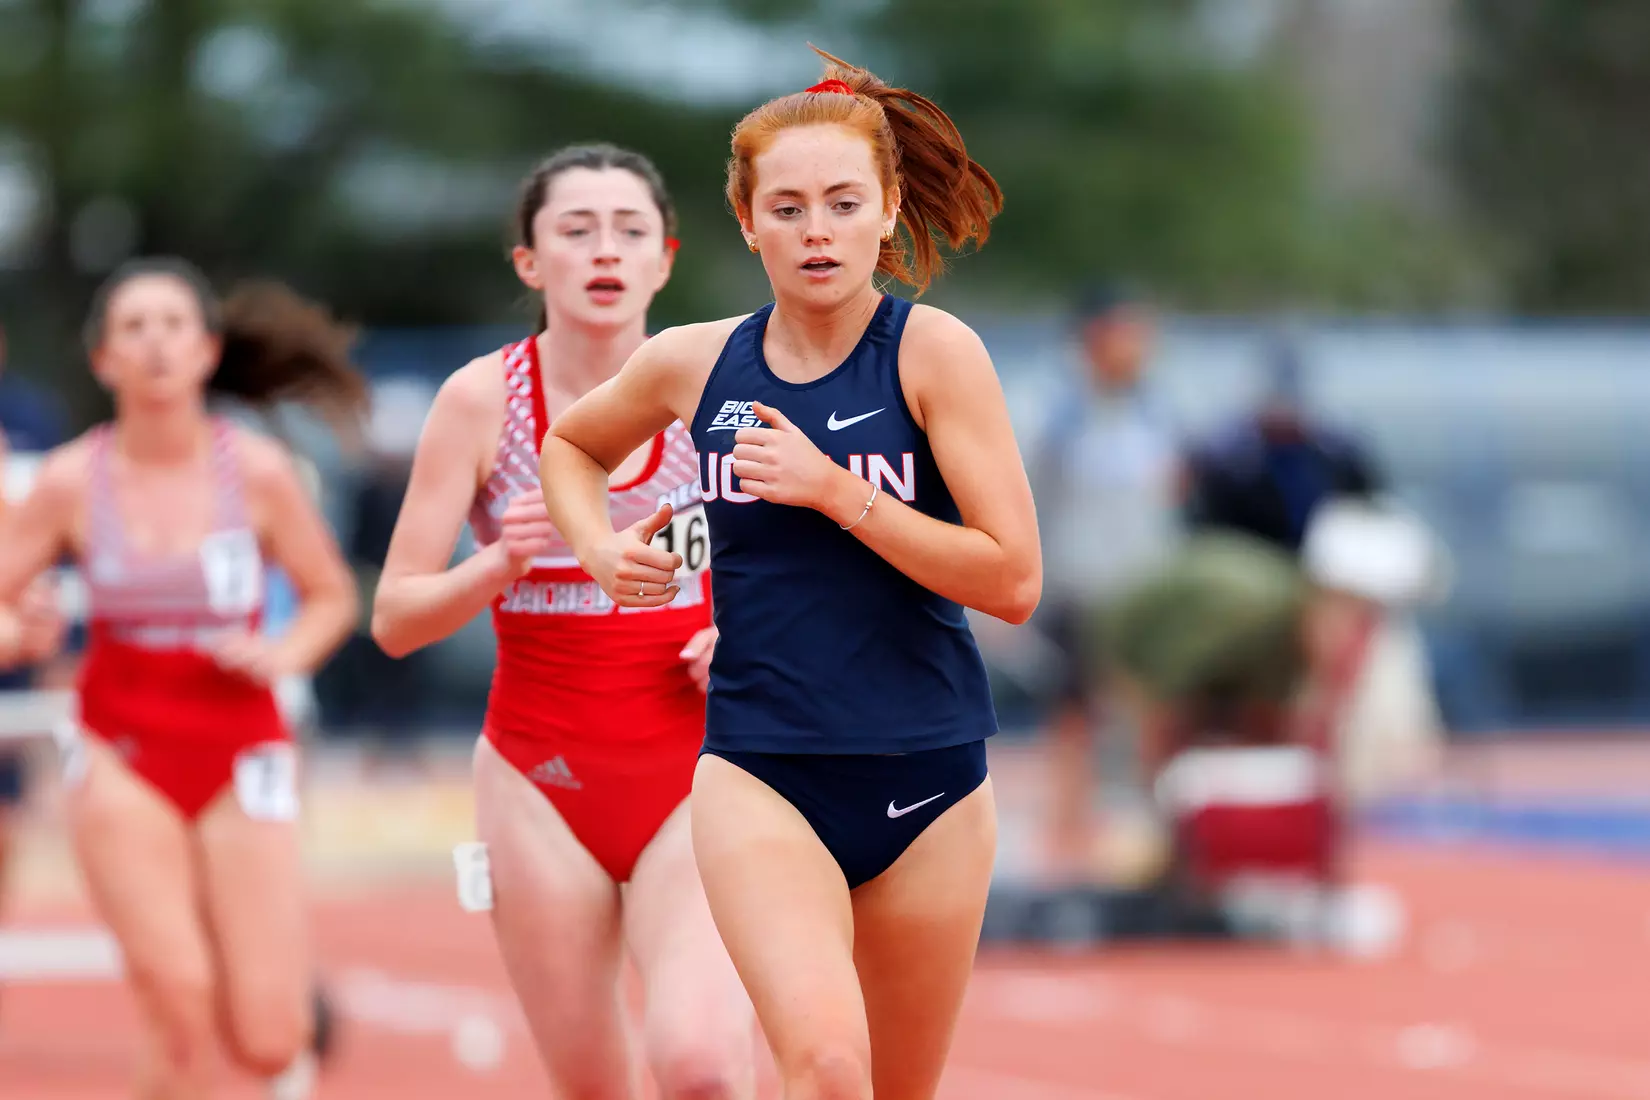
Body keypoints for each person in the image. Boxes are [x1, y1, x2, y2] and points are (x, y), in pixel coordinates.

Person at [540, 51, 1041, 1100]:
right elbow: (574, 446)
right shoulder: (693, 362)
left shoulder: (934, 354)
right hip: (764, 770)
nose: (818, 229)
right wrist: (597, 549)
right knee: (822, 1064)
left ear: (888, 211)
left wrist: (835, 490)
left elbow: (1011, 580)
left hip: (932, 778)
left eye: (844, 202)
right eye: (790, 206)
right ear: (747, 222)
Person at [370, 144, 756, 1100]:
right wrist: (497, 563)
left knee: (701, 1065)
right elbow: (393, 618)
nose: (604, 252)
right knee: (593, 1085)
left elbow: (799, 573)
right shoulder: (480, 401)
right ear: (529, 263)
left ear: (663, 260)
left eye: (628, 231)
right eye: (575, 231)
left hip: (699, 768)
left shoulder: (721, 392)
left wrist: (742, 633)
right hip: (540, 779)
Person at [0, 259, 361, 1098]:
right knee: (180, 1004)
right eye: (134, 327)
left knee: (271, 1037)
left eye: (172, 326)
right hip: (123, 749)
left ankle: (244, 957)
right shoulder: (66, 482)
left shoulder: (262, 474)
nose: (155, 344)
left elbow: (331, 596)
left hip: (242, 746)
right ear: (104, 361)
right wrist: (24, 631)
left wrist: (287, 651)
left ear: (205, 352)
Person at [1024, 282, 1182, 879]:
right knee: (1072, 714)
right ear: (1095, 338)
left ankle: (1146, 831)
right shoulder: (1055, 410)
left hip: (1144, 593)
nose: (1140, 347)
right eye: (1127, 333)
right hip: (1077, 589)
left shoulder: (1155, 408)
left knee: (1148, 710)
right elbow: (1026, 497)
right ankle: (1065, 836)